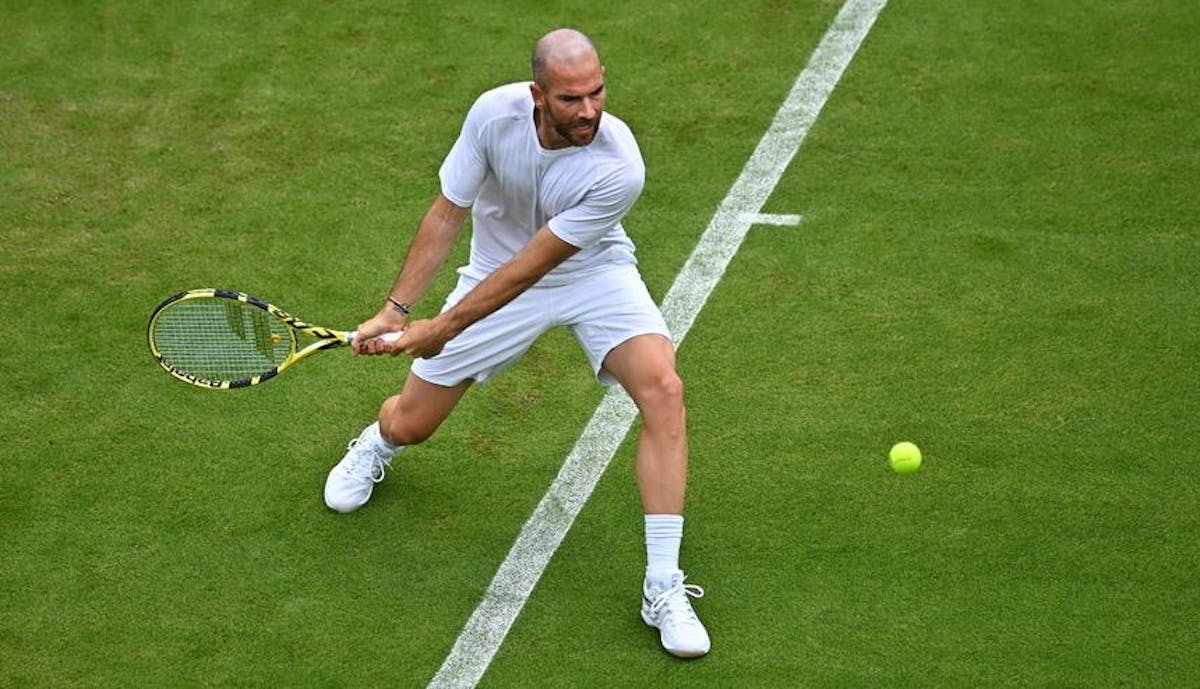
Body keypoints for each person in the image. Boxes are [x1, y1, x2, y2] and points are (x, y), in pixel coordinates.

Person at [323, 28, 710, 659]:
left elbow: (535, 266)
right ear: (537, 95)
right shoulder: (491, 114)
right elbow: (449, 211)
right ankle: (376, 443)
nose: (588, 111)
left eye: (597, 92)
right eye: (570, 99)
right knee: (413, 423)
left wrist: (437, 329)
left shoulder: (619, 166)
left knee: (664, 390)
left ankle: (663, 584)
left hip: (593, 274)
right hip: (491, 276)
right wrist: (396, 310)